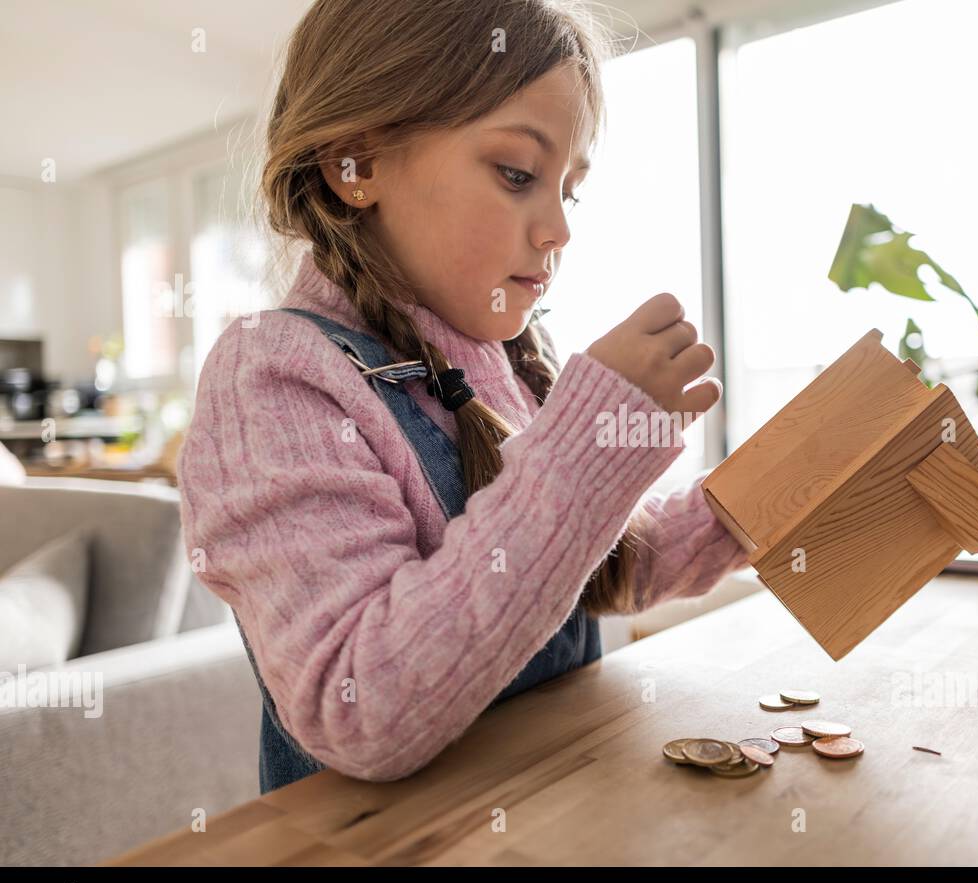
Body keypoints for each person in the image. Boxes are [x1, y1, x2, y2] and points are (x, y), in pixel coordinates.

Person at [178, 0, 749, 793]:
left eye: (569, 190)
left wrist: (775, 489)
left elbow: (616, 572)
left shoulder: (511, 362)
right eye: (518, 174)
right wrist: (591, 450)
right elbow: (358, 705)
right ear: (355, 165)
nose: (558, 228)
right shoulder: (270, 378)